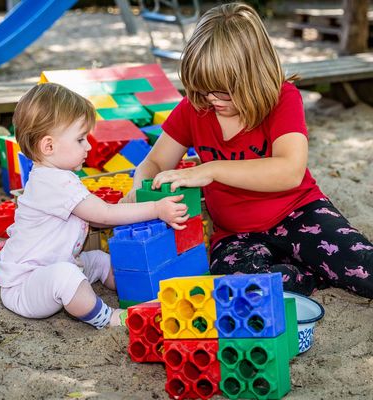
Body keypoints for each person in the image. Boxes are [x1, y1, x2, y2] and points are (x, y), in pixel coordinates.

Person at [123, 2, 373, 298]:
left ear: (254, 78)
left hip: (300, 213)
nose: (211, 99)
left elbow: (289, 171)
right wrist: (142, 191)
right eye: (203, 90)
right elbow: (154, 162)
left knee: (364, 270)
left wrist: (211, 170)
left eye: (222, 91)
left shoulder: (282, 99)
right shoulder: (196, 108)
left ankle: (308, 264)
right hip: (235, 235)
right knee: (242, 288)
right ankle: (306, 272)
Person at [0, 83, 189, 329]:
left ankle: (136, 289)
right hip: (25, 285)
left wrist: (120, 209)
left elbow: (96, 217)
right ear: (49, 146)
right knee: (66, 276)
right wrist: (156, 208)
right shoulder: (53, 183)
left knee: (97, 259)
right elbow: (104, 215)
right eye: (80, 139)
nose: (88, 146)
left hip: (52, 266)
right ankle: (105, 317)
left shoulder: (57, 176)